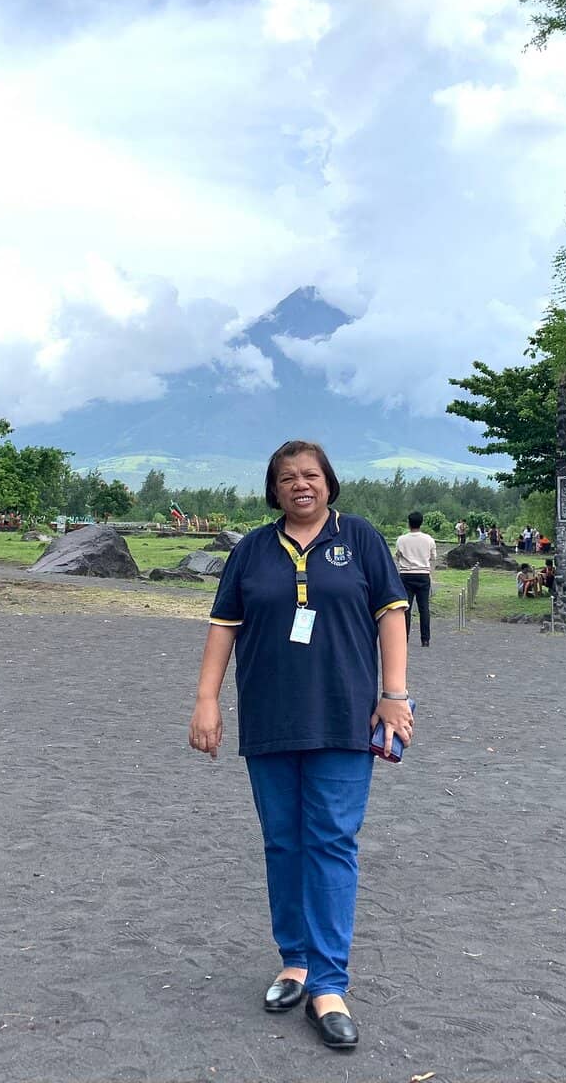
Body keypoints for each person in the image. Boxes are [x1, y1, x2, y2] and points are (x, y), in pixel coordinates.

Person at [187, 440, 412, 1051]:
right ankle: (295, 962)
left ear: (329, 482)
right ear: (273, 488)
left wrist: (395, 694)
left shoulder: (359, 538)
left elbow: (392, 614)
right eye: (286, 478)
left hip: (343, 717)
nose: (300, 485)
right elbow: (224, 625)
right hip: (270, 717)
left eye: (310, 475)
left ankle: (329, 984)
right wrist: (207, 700)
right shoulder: (253, 551)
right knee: (283, 841)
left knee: (332, 842)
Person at [395, 511, 437, 648]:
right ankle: (425, 639)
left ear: (409, 523)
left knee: (406, 609)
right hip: (423, 575)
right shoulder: (429, 539)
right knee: (424, 608)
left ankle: (404, 638)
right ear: (421, 522)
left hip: (406, 575)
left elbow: (398, 556)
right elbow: (433, 557)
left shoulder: (401, 539)